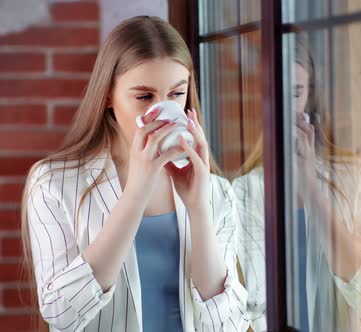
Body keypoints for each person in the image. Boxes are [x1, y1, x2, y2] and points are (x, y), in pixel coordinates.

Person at [20, 16, 248, 332]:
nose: (163, 110)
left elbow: (230, 324)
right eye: (144, 97)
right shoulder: (54, 184)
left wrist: (198, 208)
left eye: (176, 94)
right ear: (107, 96)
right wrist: (136, 192)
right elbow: (61, 314)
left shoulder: (215, 190)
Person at [232, 34, 361, 332]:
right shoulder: (245, 191)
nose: (286, 108)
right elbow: (246, 307)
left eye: (295, 94)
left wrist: (310, 183)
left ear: (310, 96)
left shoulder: (354, 178)